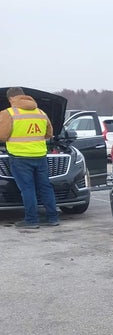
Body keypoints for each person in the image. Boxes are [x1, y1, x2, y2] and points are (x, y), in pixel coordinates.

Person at [0, 86, 59, 228]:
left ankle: (31, 220)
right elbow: (49, 133)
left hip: (20, 158)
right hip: (40, 156)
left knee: (28, 189)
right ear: (24, 96)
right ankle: (53, 218)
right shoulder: (41, 112)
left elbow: (2, 135)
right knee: (45, 187)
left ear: (10, 99)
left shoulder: (8, 113)